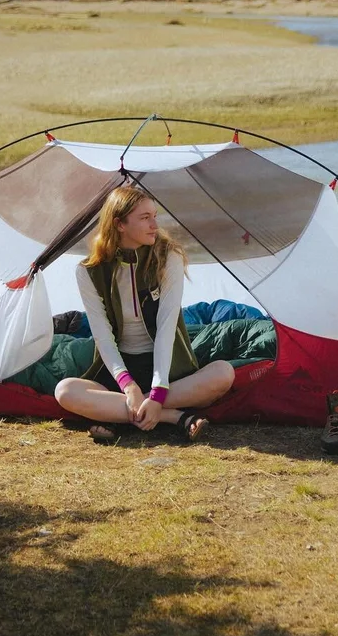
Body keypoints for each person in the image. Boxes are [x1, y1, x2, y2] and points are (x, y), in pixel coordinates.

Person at [54, 185, 235, 443]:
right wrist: (128, 386)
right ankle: (174, 417)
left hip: (167, 365)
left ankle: (121, 414)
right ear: (119, 224)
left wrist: (158, 391)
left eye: (154, 216)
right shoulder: (89, 271)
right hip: (120, 368)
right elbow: (103, 337)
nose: (154, 225)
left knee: (223, 373)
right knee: (65, 391)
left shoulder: (168, 257)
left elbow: (166, 325)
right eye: (144, 217)